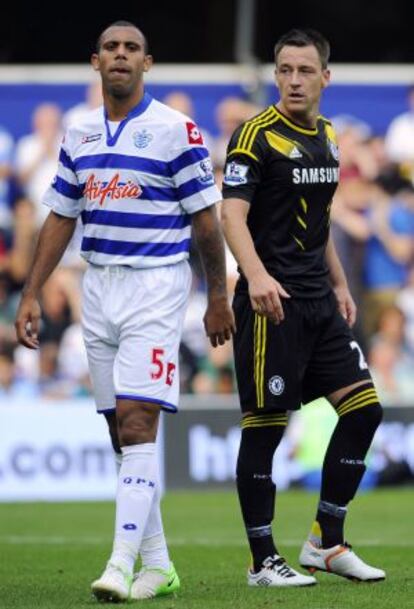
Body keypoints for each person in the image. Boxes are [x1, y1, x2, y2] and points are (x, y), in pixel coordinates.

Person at [15, 20, 234, 602]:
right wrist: (32, 291)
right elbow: (61, 215)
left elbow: (206, 221)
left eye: (130, 49)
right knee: (121, 432)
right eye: (111, 48)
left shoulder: (175, 130)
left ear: (147, 62)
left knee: (139, 424)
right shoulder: (79, 131)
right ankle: (158, 566)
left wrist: (217, 295)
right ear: (95, 62)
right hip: (97, 288)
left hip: (156, 288)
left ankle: (118, 564)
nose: (120, 56)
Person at [221, 28, 385, 588]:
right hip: (274, 307)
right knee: (265, 428)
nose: (294, 80)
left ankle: (326, 541)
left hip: (319, 302)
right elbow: (231, 216)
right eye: (285, 70)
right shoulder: (254, 136)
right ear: (276, 74)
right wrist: (257, 275)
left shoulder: (331, 139)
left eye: (305, 70)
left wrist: (340, 284)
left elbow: (320, 226)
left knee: (364, 411)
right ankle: (261, 561)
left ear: (325, 78)